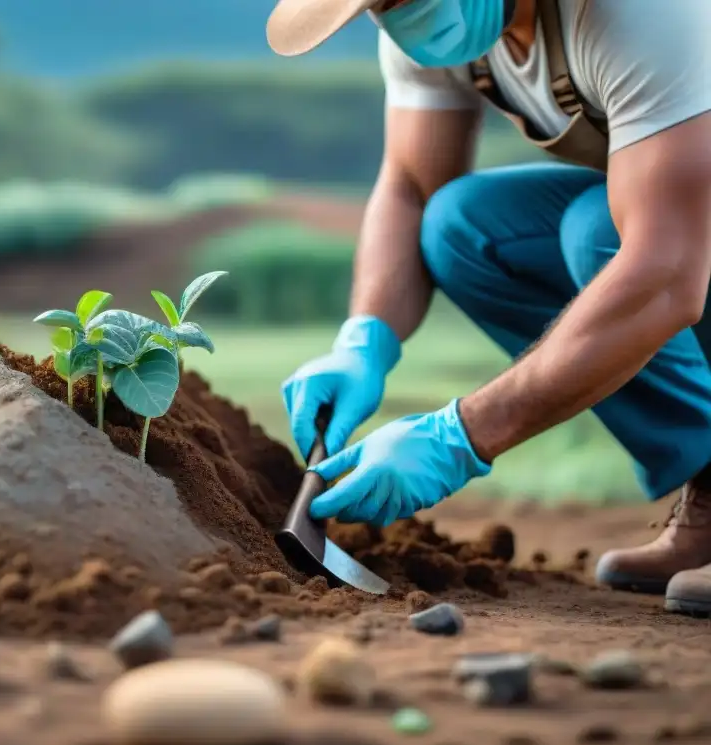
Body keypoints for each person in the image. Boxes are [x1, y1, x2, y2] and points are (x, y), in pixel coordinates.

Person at [265, 0, 711, 616]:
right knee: (463, 227)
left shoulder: (640, 13)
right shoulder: (435, 30)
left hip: (687, 240)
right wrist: (363, 341)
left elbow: (668, 275)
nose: (400, 16)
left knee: (610, 239)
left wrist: (460, 435)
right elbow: (412, 188)